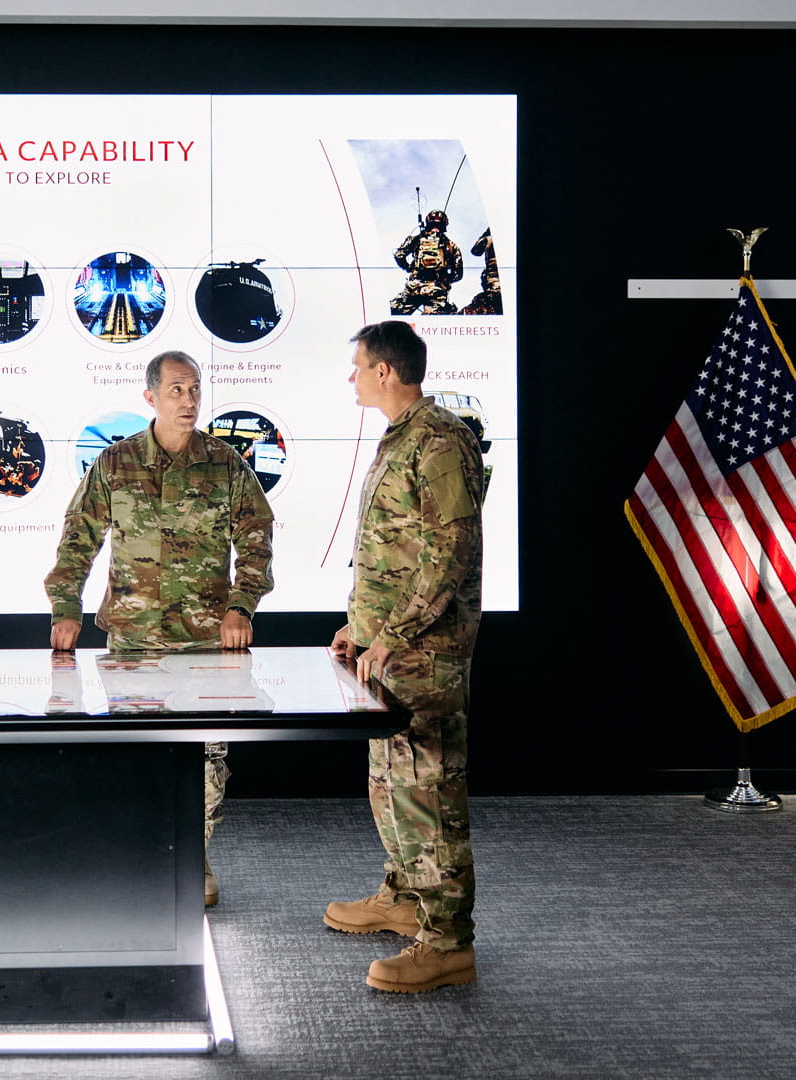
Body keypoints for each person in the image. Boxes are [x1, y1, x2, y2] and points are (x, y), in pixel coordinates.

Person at [44, 351, 274, 907]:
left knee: (206, 757)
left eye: (195, 388)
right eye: (176, 390)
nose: (189, 400)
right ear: (150, 398)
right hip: (136, 640)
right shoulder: (115, 464)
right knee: (137, 754)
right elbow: (78, 539)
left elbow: (258, 537)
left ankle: (194, 861)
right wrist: (64, 607)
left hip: (205, 643)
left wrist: (242, 604)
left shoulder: (225, 464)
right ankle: (142, 859)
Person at [325, 320, 485, 994]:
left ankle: (448, 942)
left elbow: (449, 552)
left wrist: (396, 632)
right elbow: (394, 549)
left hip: (425, 655)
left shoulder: (440, 439)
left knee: (428, 792)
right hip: (389, 651)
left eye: (358, 365)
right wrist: (359, 628)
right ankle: (406, 898)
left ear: (386, 370)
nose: (353, 377)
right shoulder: (404, 437)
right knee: (391, 785)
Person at [390, 209, 465, 315]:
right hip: (437, 289)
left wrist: (408, 268)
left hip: (414, 287)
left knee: (393, 315)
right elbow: (458, 274)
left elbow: (399, 254)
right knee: (433, 322)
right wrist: (446, 281)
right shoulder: (451, 245)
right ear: (444, 225)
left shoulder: (416, 239)